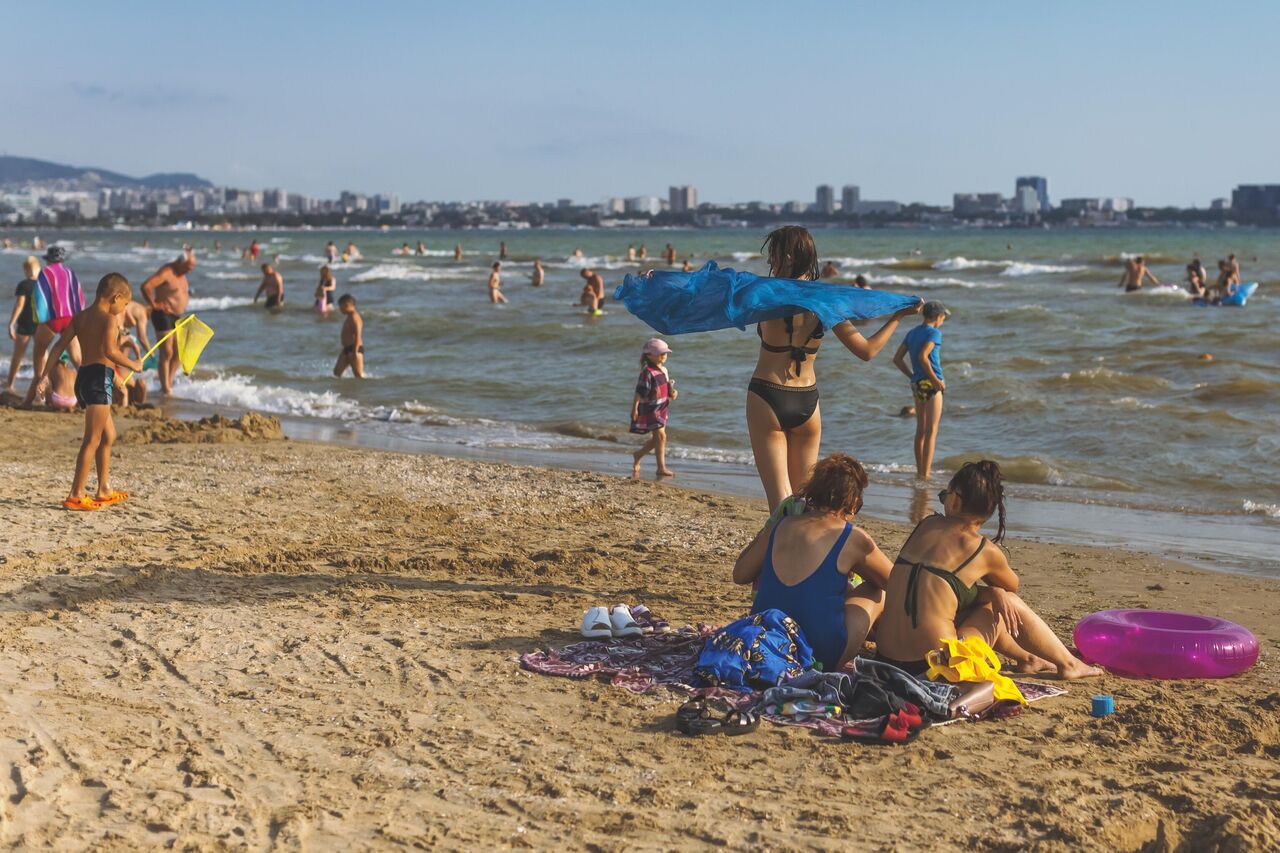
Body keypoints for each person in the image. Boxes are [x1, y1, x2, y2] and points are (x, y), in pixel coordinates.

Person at [873, 460, 1103, 680]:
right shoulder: (983, 550)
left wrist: (992, 593)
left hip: (885, 661)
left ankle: (1028, 658)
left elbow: (942, 591)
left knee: (984, 601)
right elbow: (1011, 587)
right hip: (935, 666)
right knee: (1006, 602)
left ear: (955, 501)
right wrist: (995, 592)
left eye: (945, 494)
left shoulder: (926, 525)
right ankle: (1069, 665)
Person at [747, 226, 921, 511]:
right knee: (805, 504)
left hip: (767, 397)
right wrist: (898, 317)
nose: (769, 262)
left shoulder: (764, 294)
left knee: (780, 504)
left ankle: (778, 554)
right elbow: (866, 351)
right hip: (807, 402)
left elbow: (709, 296)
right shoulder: (827, 301)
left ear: (788, 256)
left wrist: (659, 286)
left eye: (773, 255)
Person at [732, 453, 893, 671]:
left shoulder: (782, 525)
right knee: (876, 591)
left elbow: (740, 574)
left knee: (832, 585)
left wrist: (767, 533)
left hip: (764, 644)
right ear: (853, 502)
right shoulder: (853, 538)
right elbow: (895, 582)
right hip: (820, 654)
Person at [34, 273, 141, 511]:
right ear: (116, 297)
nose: (122, 310)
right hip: (98, 381)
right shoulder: (110, 319)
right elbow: (110, 351)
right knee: (92, 439)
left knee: (108, 435)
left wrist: (43, 377)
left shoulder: (80, 317)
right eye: (123, 305)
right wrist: (134, 364)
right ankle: (76, 494)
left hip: (85, 378)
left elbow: (60, 346)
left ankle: (103, 489)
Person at [893, 301, 950, 480]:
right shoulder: (935, 333)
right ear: (938, 316)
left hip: (917, 383)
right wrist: (936, 381)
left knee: (920, 431)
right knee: (931, 431)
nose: (943, 320)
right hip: (931, 384)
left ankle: (920, 472)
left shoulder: (912, 333)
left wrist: (912, 376)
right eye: (943, 317)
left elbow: (897, 359)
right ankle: (925, 475)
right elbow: (923, 357)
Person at [22, 246, 84, 407]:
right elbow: (79, 297)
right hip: (71, 318)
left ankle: (30, 399)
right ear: (62, 260)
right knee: (78, 360)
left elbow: (39, 296)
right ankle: (92, 397)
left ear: (48, 259)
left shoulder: (45, 272)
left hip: (53, 318)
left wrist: (40, 319)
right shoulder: (71, 273)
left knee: (40, 355)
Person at [138, 252, 194, 395]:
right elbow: (146, 286)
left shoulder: (181, 273)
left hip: (177, 316)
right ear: (180, 262)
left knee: (179, 354)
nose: (190, 271)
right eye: (188, 267)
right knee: (167, 352)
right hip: (162, 315)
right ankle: (165, 388)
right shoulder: (167, 272)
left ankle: (168, 383)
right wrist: (154, 304)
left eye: (191, 268)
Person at [630, 338, 678, 479]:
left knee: (658, 438)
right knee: (661, 437)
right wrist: (635, 409)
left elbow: (668, 389)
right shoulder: (647, 371)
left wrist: (673, 394)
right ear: (649, 355)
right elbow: (639, 391)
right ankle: (661, 468)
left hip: (662, 407)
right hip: (650, 408)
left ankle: (639, 454)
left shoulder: (664, 370)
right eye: (660, 354)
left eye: (665, 354)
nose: (664, 356)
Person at [7, 255, 40, 395]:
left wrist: (11, 323)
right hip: (41, 324)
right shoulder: (43, 284)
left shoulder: (23, 285)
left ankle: (10, 384)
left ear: (26, 269)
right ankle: (41, 388)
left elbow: (20, 304)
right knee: (41, 356)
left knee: (18, 356)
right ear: (38, 268)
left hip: (25, 324)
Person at [333, 294, 364, 378]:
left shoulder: (355, 317)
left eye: (341, 307)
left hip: (354, 348)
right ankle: (346, 389)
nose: (340, 310)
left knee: (358, 375)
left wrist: (355, 352)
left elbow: (358, 335)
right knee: (336, 373)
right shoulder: (349, 317)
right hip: (347, 349)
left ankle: (362, 390)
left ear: (347, 305)